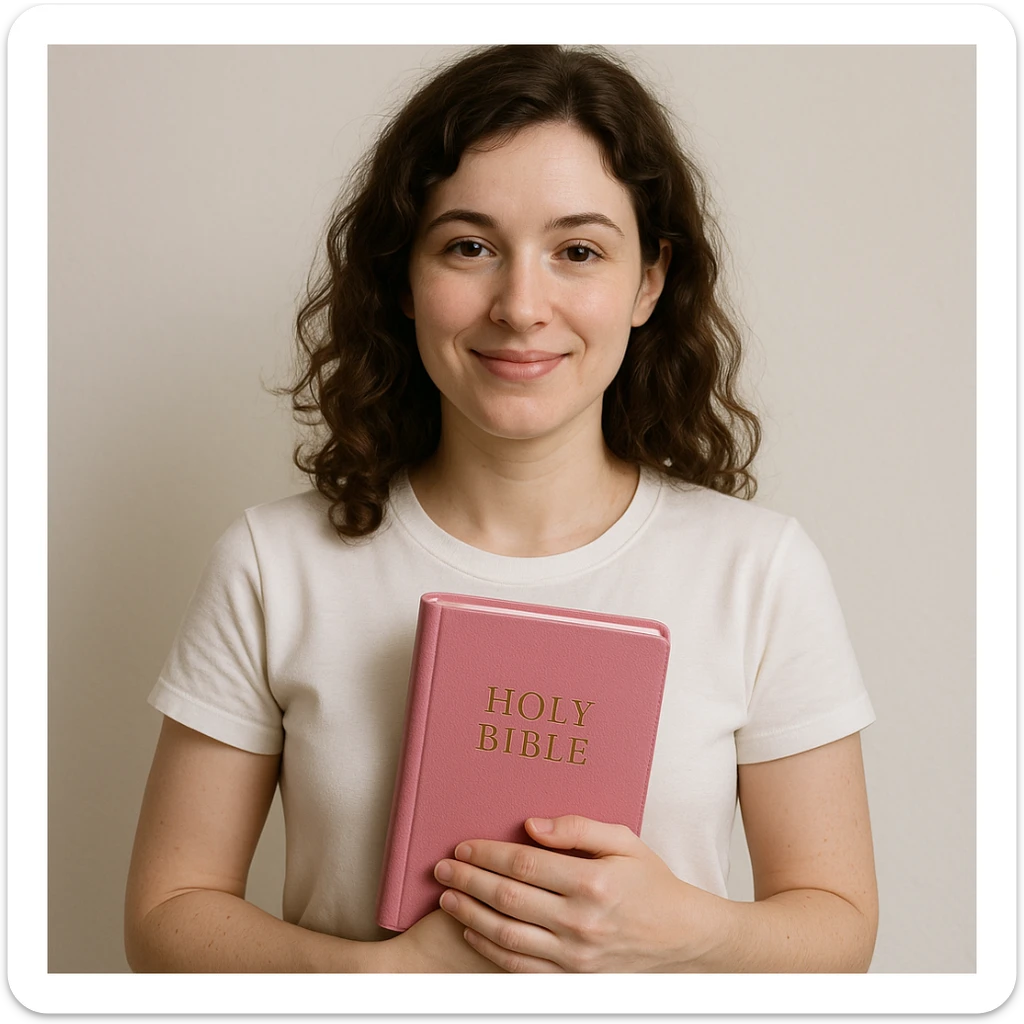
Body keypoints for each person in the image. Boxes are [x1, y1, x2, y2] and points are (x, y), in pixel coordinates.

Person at [124, 44, 878, 973]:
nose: (522, 306)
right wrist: (386, 975)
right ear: (405, 277)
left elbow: (841, 933)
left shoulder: (759, 571)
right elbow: (164, 921)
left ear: (648, 281)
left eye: (579, 251)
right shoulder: (273, 563)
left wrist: (687, 927)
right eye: (470, 246)